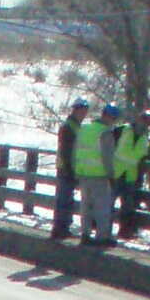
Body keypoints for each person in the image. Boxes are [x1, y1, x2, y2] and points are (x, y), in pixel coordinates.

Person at [75, 102, 117, 246]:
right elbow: (107, 157)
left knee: (86, 206)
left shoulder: (85, 129)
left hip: (83, 173)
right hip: (99, 175)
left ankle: (85, 234)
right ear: (110, 118)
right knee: (102, 207)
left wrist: (77, 170)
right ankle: (102, 237)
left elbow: (76, 151)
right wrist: (111, 174)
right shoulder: (105, 133)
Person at [113, 109, 150, 239]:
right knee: (107, 202)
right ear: (138, 119)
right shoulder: (123, 129)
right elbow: (107, 144)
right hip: (116, 173)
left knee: (128, 206)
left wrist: (140, 177)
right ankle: (101, 229)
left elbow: (143, 159)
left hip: (130, 176)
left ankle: (124, 232)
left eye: (148, 121)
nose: (145, 123)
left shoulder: (145, 139)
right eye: (144, 119)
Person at [51, 98, 88, 240]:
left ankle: (63, 227)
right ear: (76, 110)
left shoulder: (76, 126)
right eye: (82, 110)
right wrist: (69, 169)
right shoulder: (68, 127)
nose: (84, 113)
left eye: (85, 111)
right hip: (66, 168)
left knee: (67, 199)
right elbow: (66, 151)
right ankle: (60, 228)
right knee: (64, 199)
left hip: (72, 168)